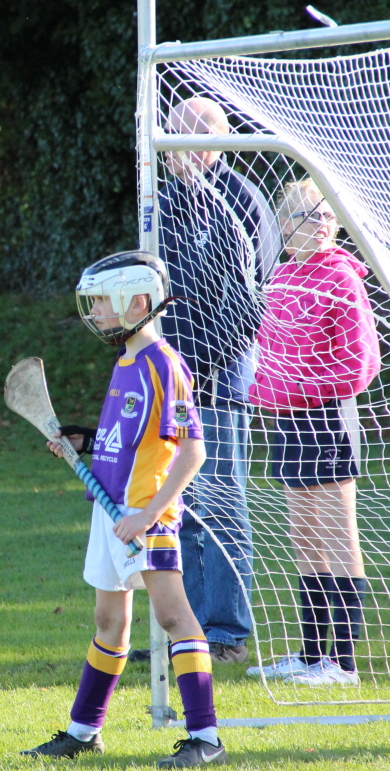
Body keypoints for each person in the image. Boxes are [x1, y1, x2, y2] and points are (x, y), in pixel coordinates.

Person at [20, 250, 228, 767]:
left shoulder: (165, 364)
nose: (98, 315)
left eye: (105, 305)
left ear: (138, 301)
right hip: (108, 510)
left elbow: (192, 450)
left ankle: (206, 738)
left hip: (143, 513)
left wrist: (151, 512)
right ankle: (83, 731)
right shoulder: (126, 360)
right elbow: (130, 439)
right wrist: (86, 441)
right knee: (108, 619)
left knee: (174, 616)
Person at [155, 96, 280, 663]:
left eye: (188, 135)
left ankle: (226, 630)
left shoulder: (242, 198)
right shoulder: (160, 204)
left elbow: (254, 298)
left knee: (224, 495)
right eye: (171, 135)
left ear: (213, 141)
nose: (177, 147)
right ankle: (185, 627)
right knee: (177, 497)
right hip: (174, 377)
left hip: (223, 373)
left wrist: (204, 364)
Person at [247, 178, 381, 686]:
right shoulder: (279, 279)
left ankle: (342, 664)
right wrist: (268, 390)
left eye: (328, 216)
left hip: (327, 417)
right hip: (287, 422)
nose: (324, 225)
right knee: (304, 539)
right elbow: (270, 355)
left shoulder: (345, 278)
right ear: (285, 226)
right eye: (311, 216)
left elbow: (361, 362)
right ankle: (309, 655)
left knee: (338, 536)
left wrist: (299, 386)